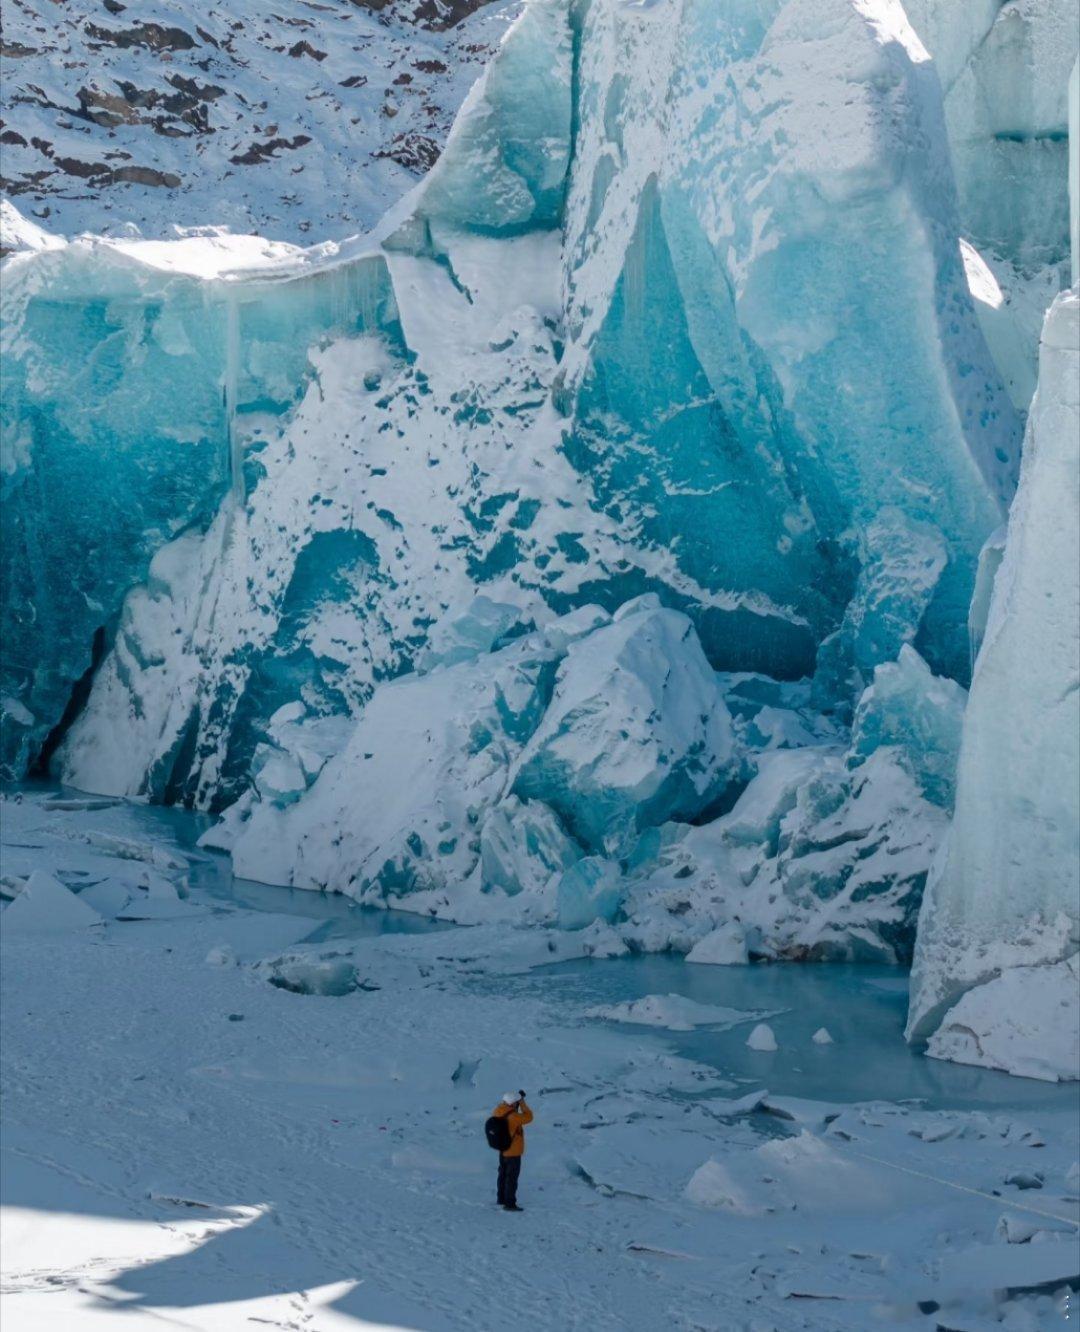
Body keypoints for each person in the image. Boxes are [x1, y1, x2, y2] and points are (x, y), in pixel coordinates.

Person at [492, 1091, 533, 1211]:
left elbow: (508, 1110)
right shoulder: (514, 1117)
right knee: (511, 1177)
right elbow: (529, 1117)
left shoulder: (498, 1111)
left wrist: (516, 1102)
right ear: (514, 1104)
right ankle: (510, 1203)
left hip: (503, 1149)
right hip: (513, 1151)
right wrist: (522, 1103)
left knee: (503, 1174)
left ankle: (501, 1198)